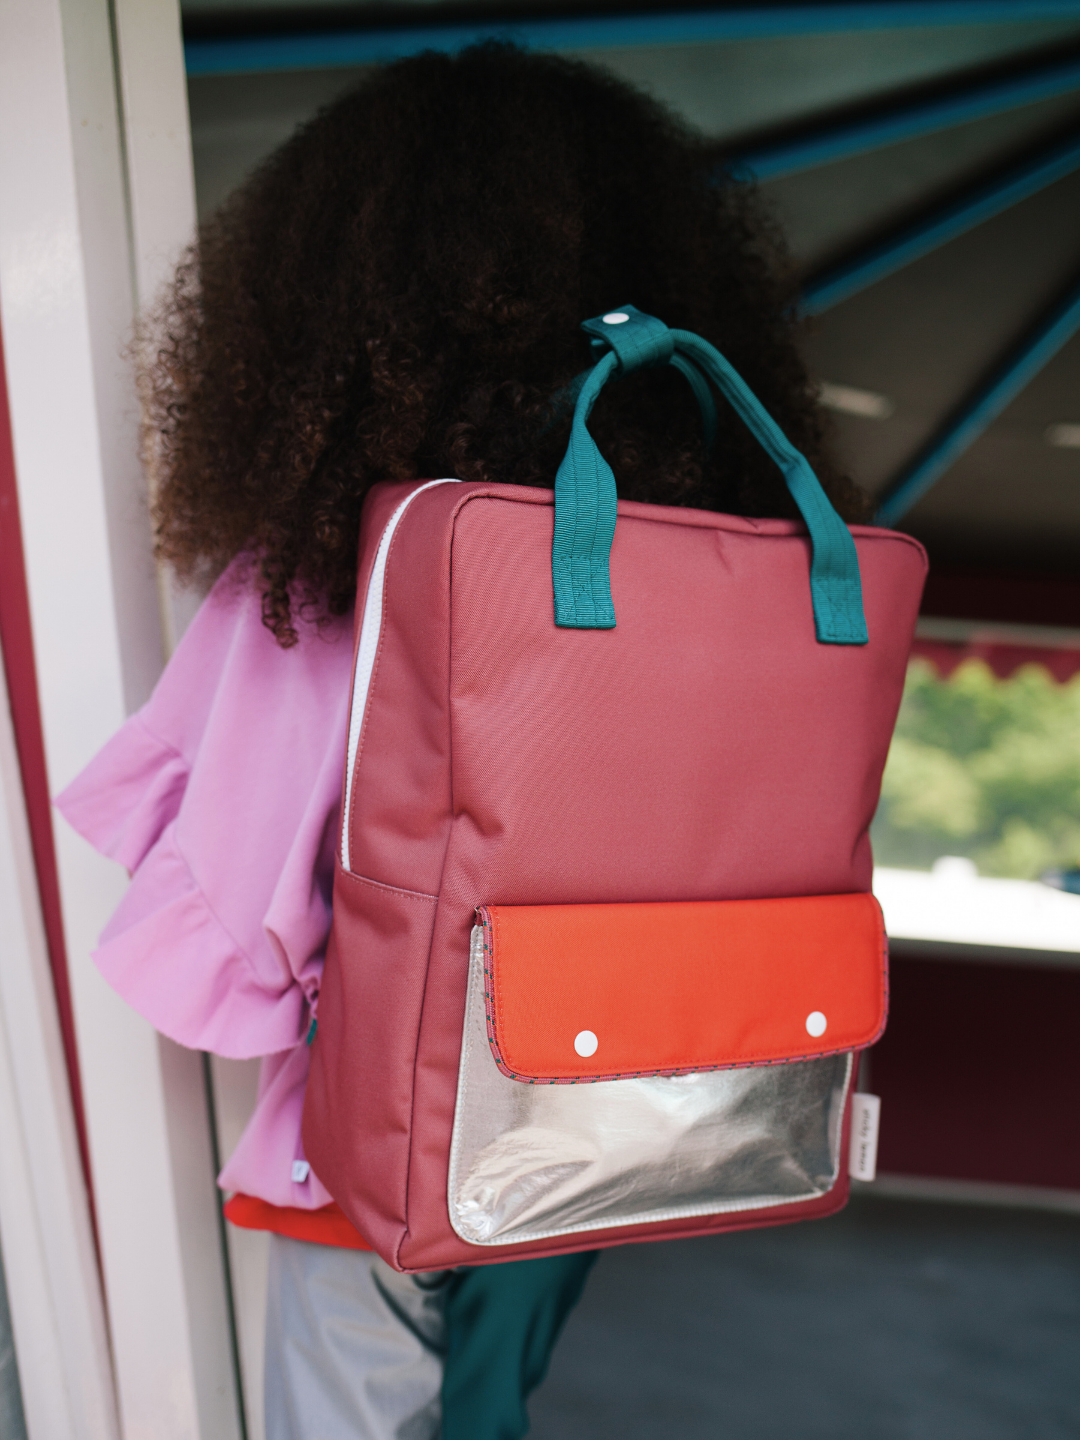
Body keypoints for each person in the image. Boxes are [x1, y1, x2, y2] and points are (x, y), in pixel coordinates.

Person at [56, 41, 867, 1440]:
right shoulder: (734, 566)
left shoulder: (340, 565)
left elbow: (246, 914)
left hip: (407, 1115)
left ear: (321, 303)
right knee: (492, 1401)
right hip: (636, 1105)